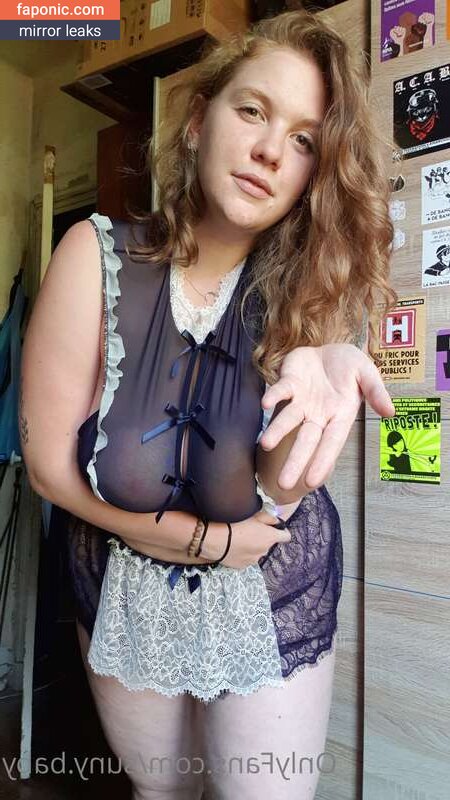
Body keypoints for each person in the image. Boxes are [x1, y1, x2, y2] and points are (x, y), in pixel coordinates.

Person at [20, 9, 396, 799]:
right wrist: (200, 540)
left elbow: (277, 496)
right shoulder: (93, 256)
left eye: (304, 140)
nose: (270, 151)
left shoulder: (310, 291)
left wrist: (320, 363)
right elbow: (50, 469)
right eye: (253, 111)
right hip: (124, 581)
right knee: (159, 791)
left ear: (313, 173)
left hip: (269, 588)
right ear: (198, 122)